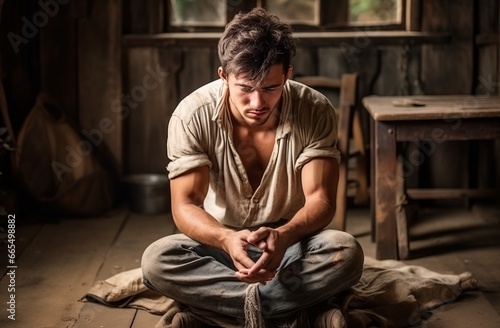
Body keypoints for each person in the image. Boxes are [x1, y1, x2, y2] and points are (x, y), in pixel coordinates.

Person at [142, 7, 364, 328]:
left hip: (292, 246)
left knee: (346, 252)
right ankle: (299, 314)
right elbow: (185, 204)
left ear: (288, 74)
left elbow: (321, 200)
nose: (257, 103)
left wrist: (285, 235)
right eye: (245, 88)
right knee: (157, 261)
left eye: (270, 88)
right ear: (224, 76)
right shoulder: (191, 115)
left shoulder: (315, 109)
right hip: (219, 248)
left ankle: (216, 315)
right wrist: (225, 239)